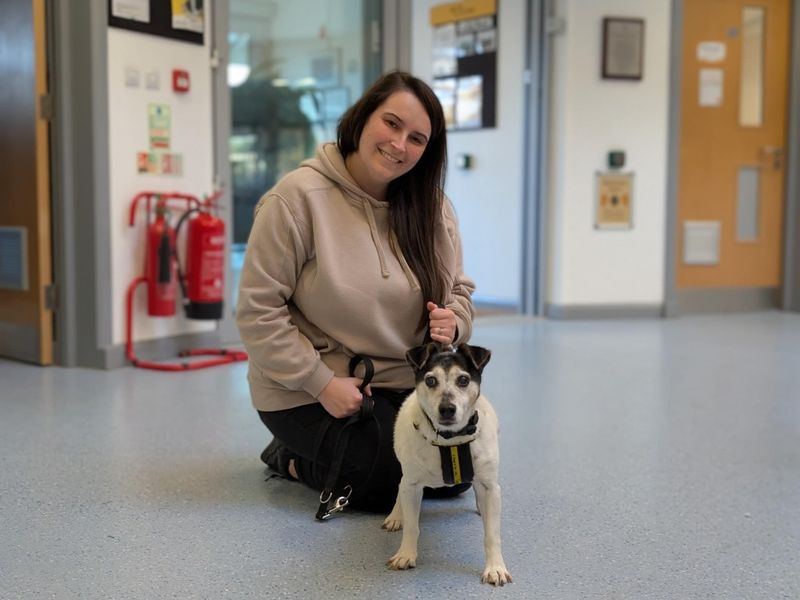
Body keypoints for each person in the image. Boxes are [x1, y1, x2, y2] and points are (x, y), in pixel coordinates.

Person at [236, 70, 475, 513]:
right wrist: (320, 383)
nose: (399, 144)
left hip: (404, 383)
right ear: (362, 118)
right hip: (313, 389)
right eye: (391, 123)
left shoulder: (433, 206)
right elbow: (257, 310)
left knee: (456, 473)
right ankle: (288, 457)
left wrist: (455, 320)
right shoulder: (295, 200)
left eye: (418, 138)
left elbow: (459, 288)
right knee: (388, 482)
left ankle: (334, 452)